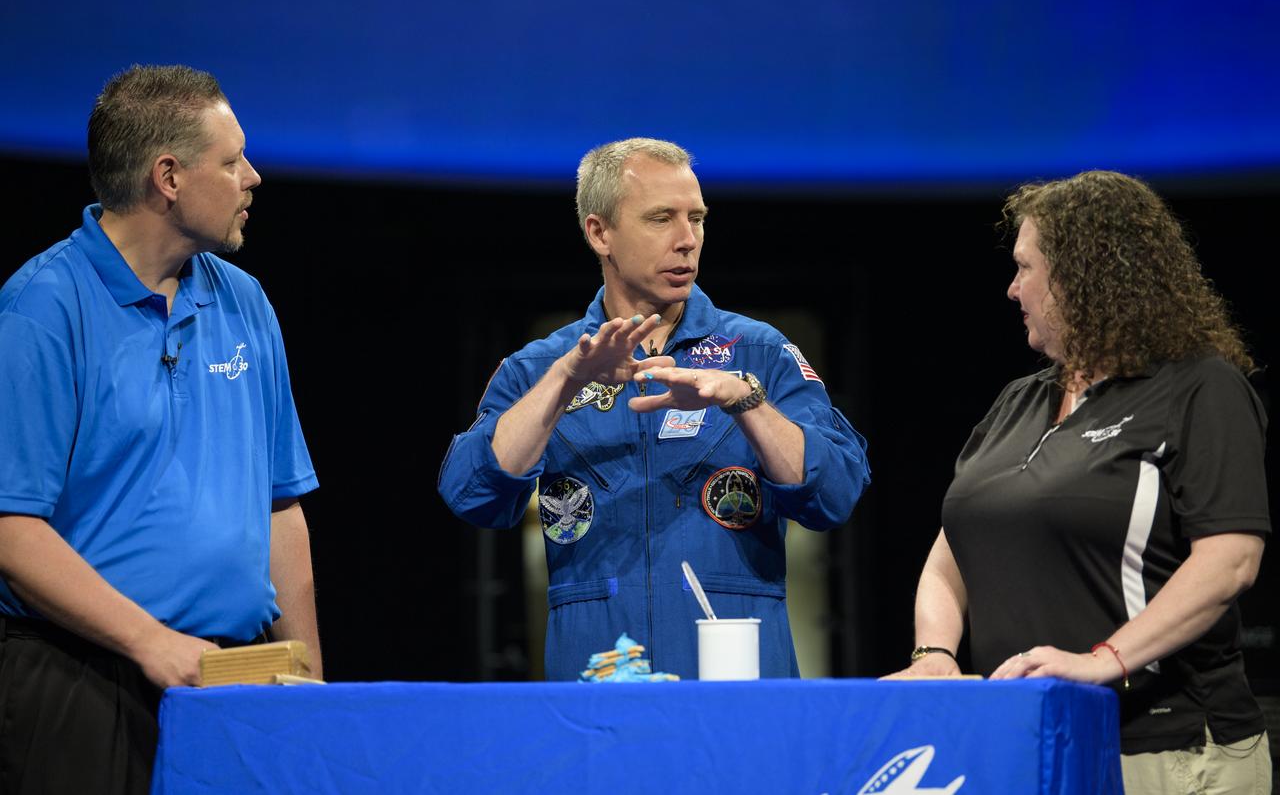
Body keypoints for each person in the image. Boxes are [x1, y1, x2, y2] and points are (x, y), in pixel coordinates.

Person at [891, 171, 1270, 793]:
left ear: (1083, 276)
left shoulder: (1200, 387)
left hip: (1161, 748)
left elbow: (1230, 560)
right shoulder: (1019, 400)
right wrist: (934, 654)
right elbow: (951, 550)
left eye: (1025, 268)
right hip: (1029, 738)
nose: (1013, 290)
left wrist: (1104, 660)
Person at [439, 138, 869, 681]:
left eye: (697, 218)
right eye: (662, 218)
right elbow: (472, 495)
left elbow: (835, 494)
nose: (688, 240)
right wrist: (565, 380)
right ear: (600, 233)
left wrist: (745, 402)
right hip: (598, 680)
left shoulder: (760, 353)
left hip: (735, 685)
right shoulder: (540, 368)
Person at [0, 65, 320, 794]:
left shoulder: (246, 302)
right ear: (168, 177)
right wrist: (152, 644)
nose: (254, 177)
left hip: (233, 681)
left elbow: (281, 505)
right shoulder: (41, 310)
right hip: (80, 681)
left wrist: (307, 675)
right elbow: (10, 528)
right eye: (232, 161)